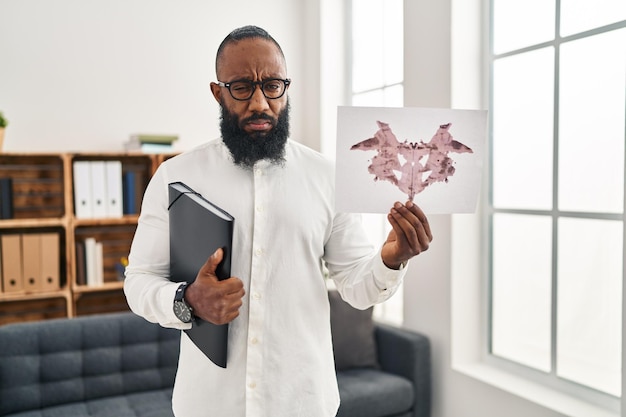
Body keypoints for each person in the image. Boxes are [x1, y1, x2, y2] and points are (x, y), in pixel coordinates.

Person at [124, 25, 433, 417]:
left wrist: (392, 257)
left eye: (272, 85)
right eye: (241, 87)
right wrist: (187, 301)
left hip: (303, 402)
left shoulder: (327, 177)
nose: (260, 103)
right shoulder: (175, 177)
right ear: (218, 93)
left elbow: (357, 287)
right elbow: (138, 281)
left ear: (286, 88)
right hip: (210, 405)